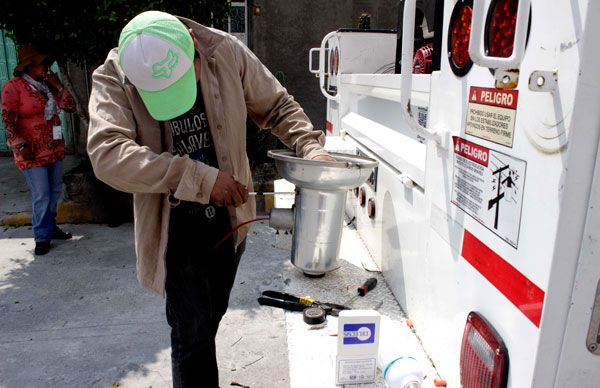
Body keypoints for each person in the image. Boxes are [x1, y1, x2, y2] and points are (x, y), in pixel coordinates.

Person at [87, 11, 333, 388]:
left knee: (210, 319)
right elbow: (107, 155)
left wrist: (309, 146)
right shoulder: (117, 73)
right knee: (191, 336)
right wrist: (198, 178)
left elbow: (277, 106)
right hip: (176, 227)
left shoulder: (225, 51)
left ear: (193, 47)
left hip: (229, 220)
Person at [1, 44, 75, 256]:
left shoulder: (47, 85)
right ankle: (42, 236)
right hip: (31, 151)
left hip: (53, 147)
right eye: (42, 64)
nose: (46, 68)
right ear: (29, 66)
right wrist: (18, 144)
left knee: (54, 191)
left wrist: (58, 86)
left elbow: (69, 105)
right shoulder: (13, 87)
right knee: (41, 193)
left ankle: (51, 227)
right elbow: (8, 118)